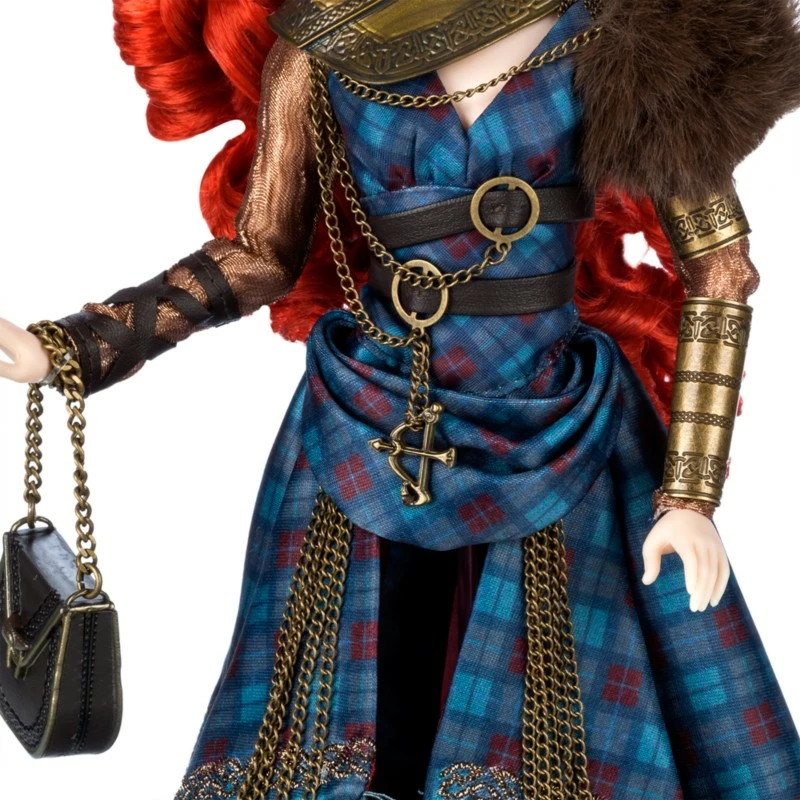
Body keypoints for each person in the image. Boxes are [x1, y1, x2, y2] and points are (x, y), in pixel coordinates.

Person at [1, 0, 799, 797]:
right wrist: (81, 345)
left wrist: (690, 493)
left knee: (576, 724)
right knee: (342, 715)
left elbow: (720, 271)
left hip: (557, 430)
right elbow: (259, 253)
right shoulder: (324, 40)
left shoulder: (631, 29)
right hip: (373, 424)